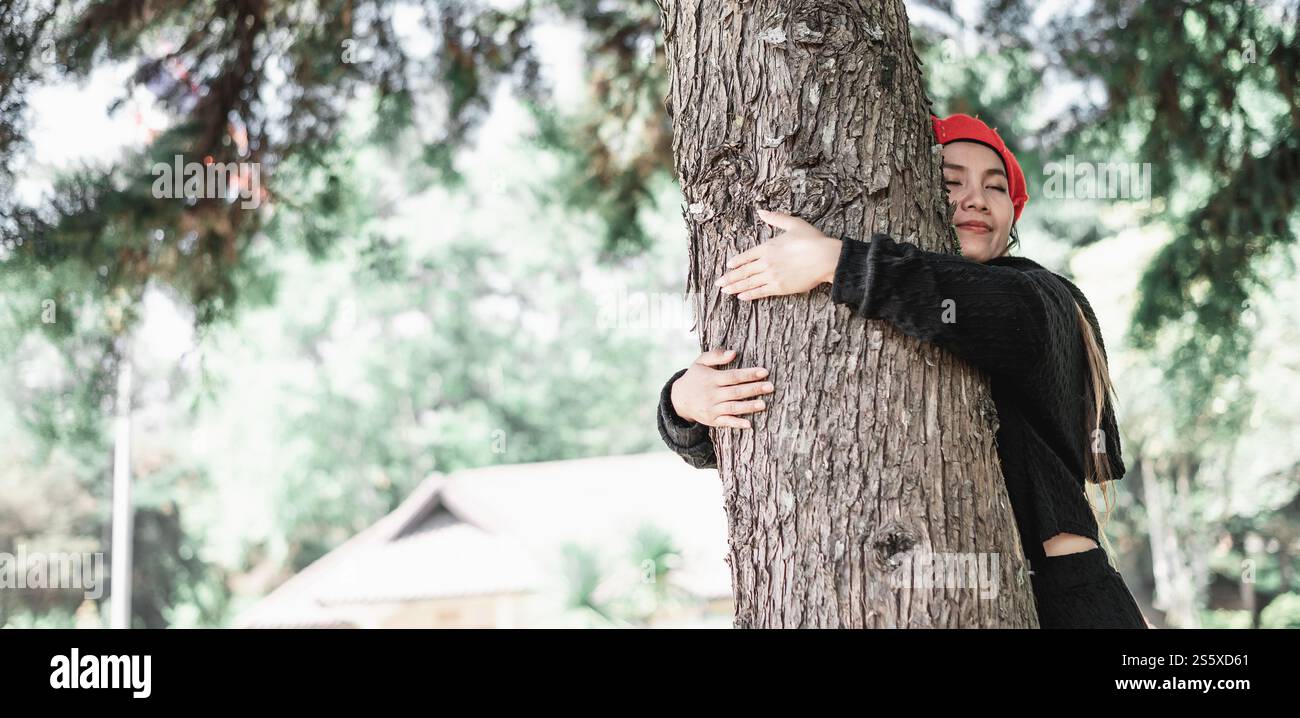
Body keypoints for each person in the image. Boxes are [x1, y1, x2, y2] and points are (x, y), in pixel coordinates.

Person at [655, 112, 1151, 629]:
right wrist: (684, 405)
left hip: (1070, 602)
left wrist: (836, 262)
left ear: (1014, 213)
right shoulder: (919, 324)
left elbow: (975, 303)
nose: (976, 198)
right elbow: (792, 430)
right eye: (951, 181)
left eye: (995, 187)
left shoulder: (1041, 296)